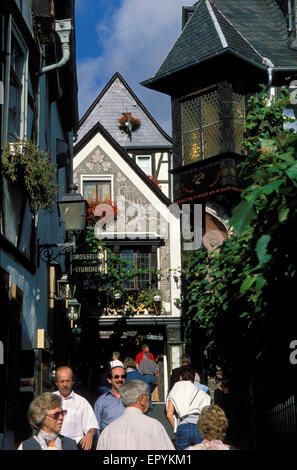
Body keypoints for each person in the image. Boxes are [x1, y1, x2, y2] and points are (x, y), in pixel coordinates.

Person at [97, 380, 174, 450]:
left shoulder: (107, 431)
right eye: (148, 397)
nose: (149, 400)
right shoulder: (153, 426)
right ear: (141, 399)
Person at [53, 366, 98, 450]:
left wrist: (90, 434)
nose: (65, 384)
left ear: (72, 381)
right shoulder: (48, 399)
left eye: (68, 381)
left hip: (75, 446)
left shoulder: (82, 402)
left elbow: (92, 425)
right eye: (62, 381)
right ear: (56, 382)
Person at [166, 365, 211, 450]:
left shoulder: (174, 390)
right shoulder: (201, 393)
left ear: (180, 377)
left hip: (183, 426)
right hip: (199, 426)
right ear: (193, 378)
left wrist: (177, 428)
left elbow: (169, 414)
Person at [93, 365, 126, 437]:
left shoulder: (132, 398)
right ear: (109, 380)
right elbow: (96, 427)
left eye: (123, 376)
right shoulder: (101, 402)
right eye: (116, 377)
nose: (120, 379)